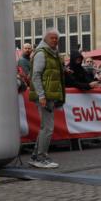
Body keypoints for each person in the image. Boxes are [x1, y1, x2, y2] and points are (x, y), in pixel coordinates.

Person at [28, 30, 63, 169]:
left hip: (49, 95)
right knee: (47, 128)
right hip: (45, 96)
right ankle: (40, 157)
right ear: (46, 39)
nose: (55, 40)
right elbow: (36, 75)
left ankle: (37, 156)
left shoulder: (51, 53)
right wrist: (41, 95)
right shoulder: (42, 53)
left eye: (56, 38)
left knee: (45, 127)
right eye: (52, 38)